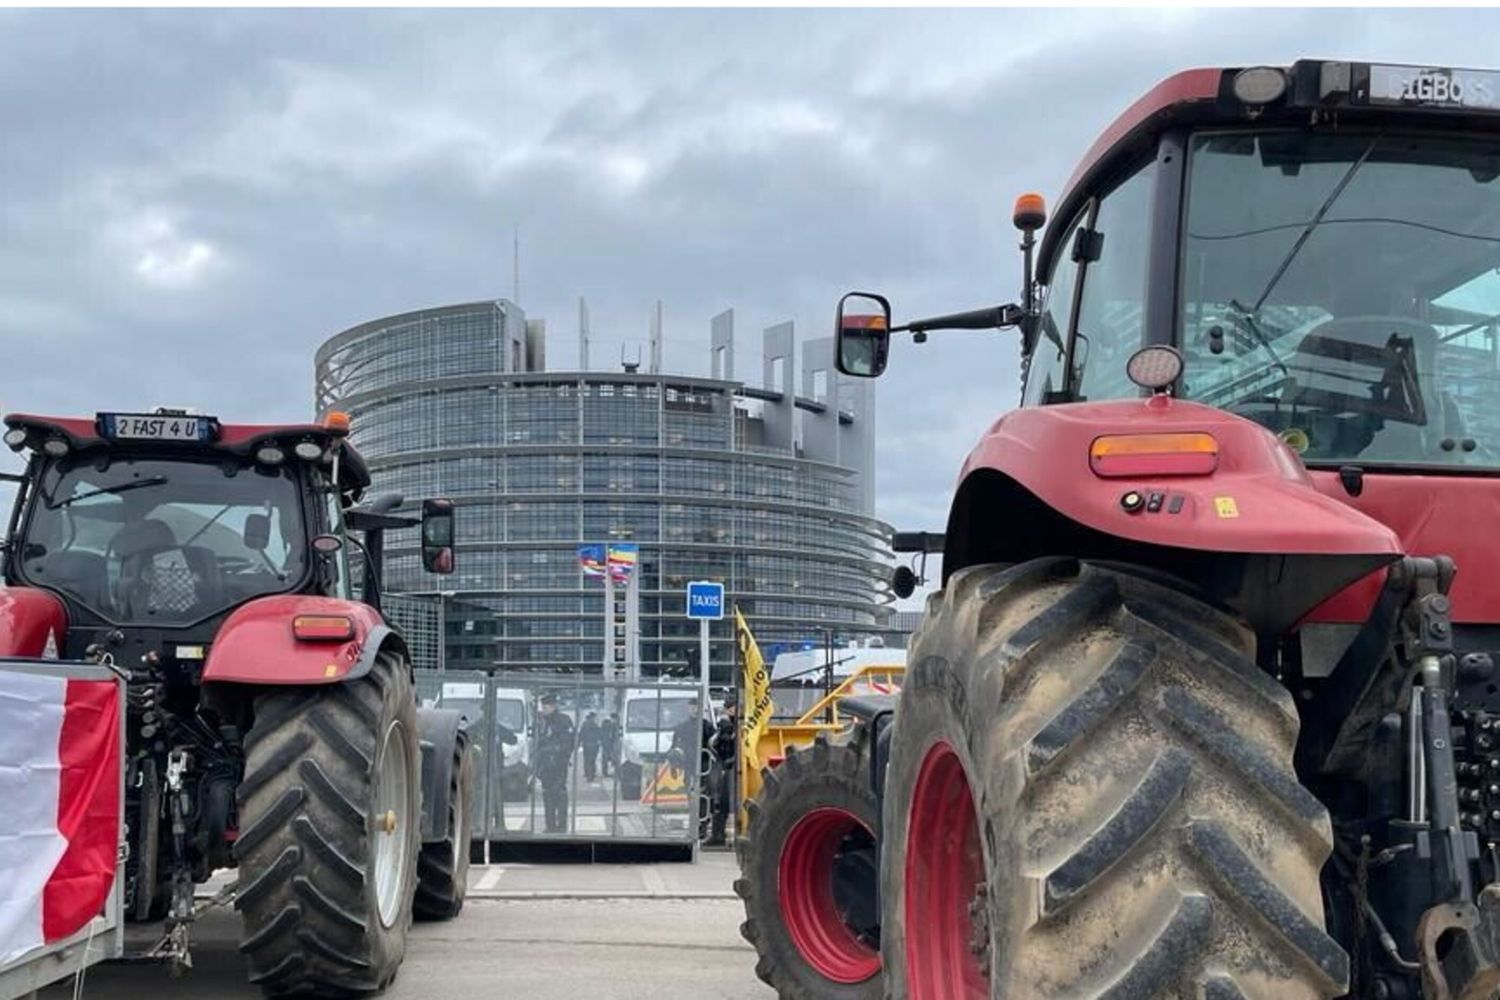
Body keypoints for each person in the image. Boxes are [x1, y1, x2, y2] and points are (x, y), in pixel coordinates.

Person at [534, 693, 575, 833]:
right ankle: (550, 824)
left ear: (553, 706)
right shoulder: (542, 722)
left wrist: (556, 752)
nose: (544, 709)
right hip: (545, 765)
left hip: (559, 764)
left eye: (546, 707)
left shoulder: (563, 720)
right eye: (543, 707)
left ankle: (561, 824)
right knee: (547, 795)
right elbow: (538, 742)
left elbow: (569, 743)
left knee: (559, 793)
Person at [706, 697, 738, 846]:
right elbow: (717, 744)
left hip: (732, 766)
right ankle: (717, 834)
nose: (732, 711)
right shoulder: (726, 725)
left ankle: (719, 835)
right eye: (730, 708)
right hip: (727, 767)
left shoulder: (739, 725)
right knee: (720, 801)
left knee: (724, 800)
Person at [578, 711, 601, 782]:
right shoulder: (595, 725)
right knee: (592, 760)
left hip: (587, 744)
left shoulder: (584, 725)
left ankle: (588, 775)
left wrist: (579, 743)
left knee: (587, 760)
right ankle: (592, 775)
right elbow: (599, 735)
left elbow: (581, 734)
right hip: (594, 745)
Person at [600, 713, 619, 777]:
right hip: (606, 744)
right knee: (605, 759)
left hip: (611, 744)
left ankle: (614, 772)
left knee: (613, 759)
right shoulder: (606, 723)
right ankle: (605, 772)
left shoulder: (614, 724)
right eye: (615, 719)